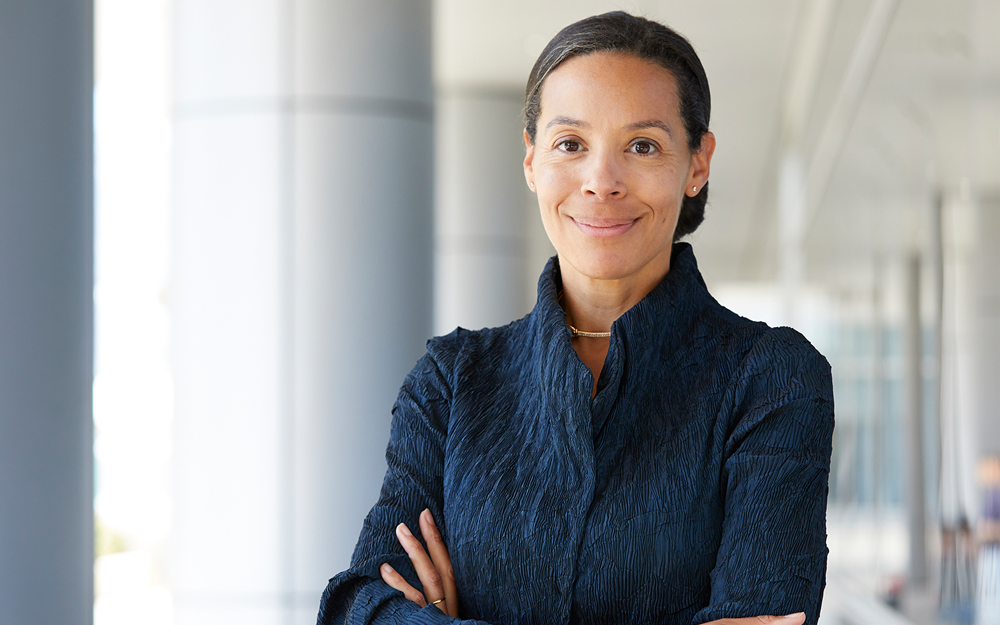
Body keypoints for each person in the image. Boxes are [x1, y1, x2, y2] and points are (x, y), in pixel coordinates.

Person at [317, 11, 834, 625]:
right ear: (533, 160)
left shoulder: (772, 380)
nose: (601, 181)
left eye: (642, 145)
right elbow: (359, 606)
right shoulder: (451, 384)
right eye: (571, 144)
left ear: (697, 162)